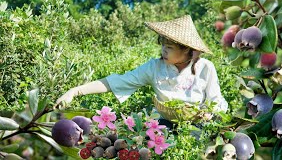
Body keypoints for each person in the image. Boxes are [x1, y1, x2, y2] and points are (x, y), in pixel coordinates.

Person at [55, 15, 228, 127]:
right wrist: (75, 91)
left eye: (169, 47)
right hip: (164, 127)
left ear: (186, 50)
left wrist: (208, 115)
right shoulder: (155, 67)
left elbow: (215, 101)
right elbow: (116, 81)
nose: (163, 51)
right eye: (162, 46)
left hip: (198, 127)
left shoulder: (205, 68)